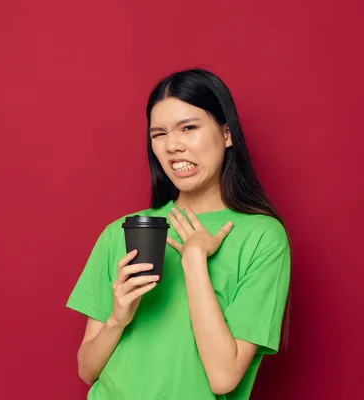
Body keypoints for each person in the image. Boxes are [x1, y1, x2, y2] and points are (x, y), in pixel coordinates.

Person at [66, 68, 291, 399]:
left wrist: (195, 259)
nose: (173, 146)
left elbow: (223, 378)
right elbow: (87, 370)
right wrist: (117, 317)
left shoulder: (262, 237)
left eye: (189, 128)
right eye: (159, 134)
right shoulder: (124, 231)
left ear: (227, 134)